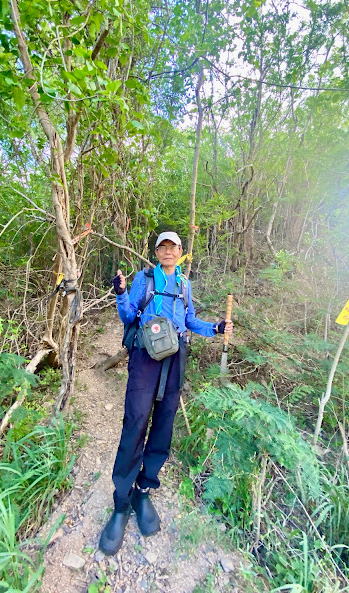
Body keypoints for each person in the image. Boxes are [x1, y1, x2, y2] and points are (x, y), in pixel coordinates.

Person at [99, 231, 233, 555]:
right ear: (156, 252)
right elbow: (129, 315)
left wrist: (214, 328)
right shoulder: (143, 280)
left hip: (176, 359)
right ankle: (121, 503)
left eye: (173, 247)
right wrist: (119, 292)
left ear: (181, 252)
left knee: (163, 427)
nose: (168, 251)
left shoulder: (185, 285)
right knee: (135, 424)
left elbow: (189, 321)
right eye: (162, 247)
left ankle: (143, 490)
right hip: (145, 358)